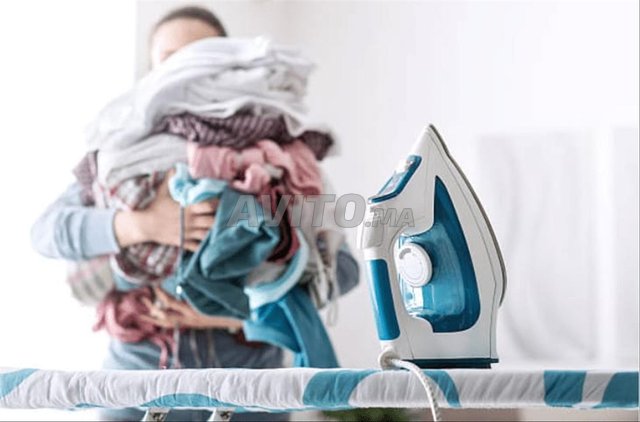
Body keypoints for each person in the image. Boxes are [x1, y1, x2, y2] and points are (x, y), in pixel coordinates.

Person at [31, 6, 359, 421]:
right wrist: (140, 224)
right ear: (152, 73)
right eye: (171, 60)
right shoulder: (123, 152)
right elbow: (46, 232)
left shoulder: (282, 159)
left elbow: (343, 269)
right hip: (133, 385)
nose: (186, 70)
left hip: (251, 392)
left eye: (201, 55)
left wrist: (237, 314)